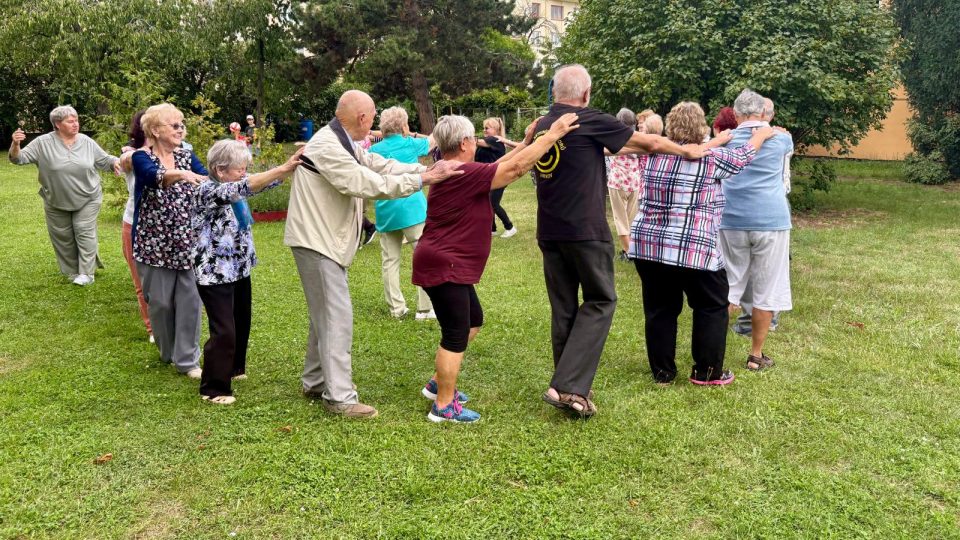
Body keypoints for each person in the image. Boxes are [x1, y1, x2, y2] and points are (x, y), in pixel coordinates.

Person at [532, 64, 708, 418]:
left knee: (565, 307)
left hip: (550, 230)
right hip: (585, 230)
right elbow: (651, 141)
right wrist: (688, 151)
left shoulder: (541, 124)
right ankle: (566, 385)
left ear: (555, 92)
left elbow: (602, 152)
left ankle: (571, 390)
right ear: (585, 93)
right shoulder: (587, 118)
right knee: (601, 299)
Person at [284, 90, 463, 419]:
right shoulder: (327, 144)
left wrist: (420, 170)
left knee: (324, 312)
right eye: (372, 116)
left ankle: (314, 380)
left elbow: (378, 163)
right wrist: (423, 179)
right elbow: (365, 182)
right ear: (363, 118)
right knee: (336, 315)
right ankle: (339, 396)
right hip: (316, 241)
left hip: (323, 240)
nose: (374, 124)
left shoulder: (344, 141)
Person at [412, 112, 580, 424]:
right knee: (455, 332)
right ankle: (443, 406)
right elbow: (514, 169)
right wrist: (553, 134)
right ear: (464, 143)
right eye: (473, 138)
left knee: (473, 321)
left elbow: (500, 166)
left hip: (446, 261)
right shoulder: (462, 171)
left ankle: (438, 384)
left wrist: (528, 141)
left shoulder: (459, 168)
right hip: (444, 262)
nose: (476, 141)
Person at [629, 101, 777, 386]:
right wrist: (761, 134)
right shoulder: (712, 160)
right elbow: (743, 156)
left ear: (670, 126)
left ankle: (663, 372)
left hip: (650, 245)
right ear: (703, 127)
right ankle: (707, 372)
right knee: (711, 306)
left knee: (660, 309)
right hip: (694, 248)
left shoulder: (652, 155)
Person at [193, 140, 303, 404]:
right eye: (239, 168)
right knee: (224, 330)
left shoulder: (232, 185)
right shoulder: (207, 190)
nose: (245, 173)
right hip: (215, 271)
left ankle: (233, 368)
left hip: (239, 267)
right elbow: (243, 186)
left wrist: (289, 168)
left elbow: (255, 182)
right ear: (220, 170)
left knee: (241, 320)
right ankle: (214, 388)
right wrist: (282, 168)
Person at [718, 90, 795, 370]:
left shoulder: (725, 140)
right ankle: (756, 355)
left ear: (736, 115)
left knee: (728, 286)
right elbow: (786, 152)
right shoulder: (782, 138)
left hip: (731, 219)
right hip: (771, 220)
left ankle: (714, 348)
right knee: (767, 286)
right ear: (763, 112)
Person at [130, 103, 208, 379]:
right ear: (154, 130)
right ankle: (168, 351)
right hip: (153, 243)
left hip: (188, 241)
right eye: (174, 125)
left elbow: (206, 180)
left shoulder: (187, 155)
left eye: (182, 124)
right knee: (160, 303)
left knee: (190, 301)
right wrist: (179, 175)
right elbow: (153, 178)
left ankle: (187, 360)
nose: (180, 129)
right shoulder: (142, 157)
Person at [8, 105, 121, 285]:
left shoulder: (86, 141)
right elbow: (18, 159)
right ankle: (72, 270)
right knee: (63, 236)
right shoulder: (42, 143)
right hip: (55, 199)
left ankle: (87, 273)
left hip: (88, 196)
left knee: (83, 230)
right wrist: (15, 144)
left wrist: (115, 162)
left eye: (76, 120)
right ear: (58, 124)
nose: (76, 124)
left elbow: (104, 160)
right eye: (70, 121)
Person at [368, 106, 436, 319]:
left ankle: (396, 309)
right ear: (404, 126)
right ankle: (425, 308)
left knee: (390, 260)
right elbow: (433, 141)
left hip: (386, 210)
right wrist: (415, 133)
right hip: (412, 210)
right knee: (423, 257)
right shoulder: (410, 143)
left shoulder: (373, 151)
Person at [119, 111, 153, 341]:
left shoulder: (181, 151)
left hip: (169, 227)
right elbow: (128, 161)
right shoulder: (131, 154)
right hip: (134, 223)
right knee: (141, 280)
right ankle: (153, 328)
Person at [605, 108, 642, 261]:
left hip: (617, 182)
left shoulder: (613, 137)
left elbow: (602, 150)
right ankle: (633, 250)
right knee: (632, 218)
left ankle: (628, 252)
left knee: (620, 219)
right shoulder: (638, 137)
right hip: (634, 182)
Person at [475, 117, 519, 238]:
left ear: (495, 129)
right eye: (484, 128)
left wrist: (463, 137)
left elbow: (476, 142)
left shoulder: (494, 140)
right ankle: (492, 229)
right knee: (487, 202)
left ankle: (510, 227)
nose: (484, 130)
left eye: (487, 128)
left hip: (499, 176)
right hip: (489, 176)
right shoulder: (489, 140)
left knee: (493, 203)